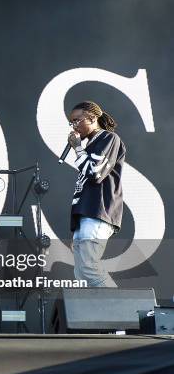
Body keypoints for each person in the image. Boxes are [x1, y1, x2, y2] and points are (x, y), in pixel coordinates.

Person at [67, 101, 125, 287]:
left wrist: (77, 148)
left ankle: (124, 311)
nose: (74, 126)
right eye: (71, 122)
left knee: (89, 267)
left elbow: (95, 173)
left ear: (92, 118)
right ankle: (102, 315)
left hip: (98, 211)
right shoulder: (91, 144)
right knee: (81, 274)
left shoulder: (108, 138)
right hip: (85, 214)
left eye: (77, 120)